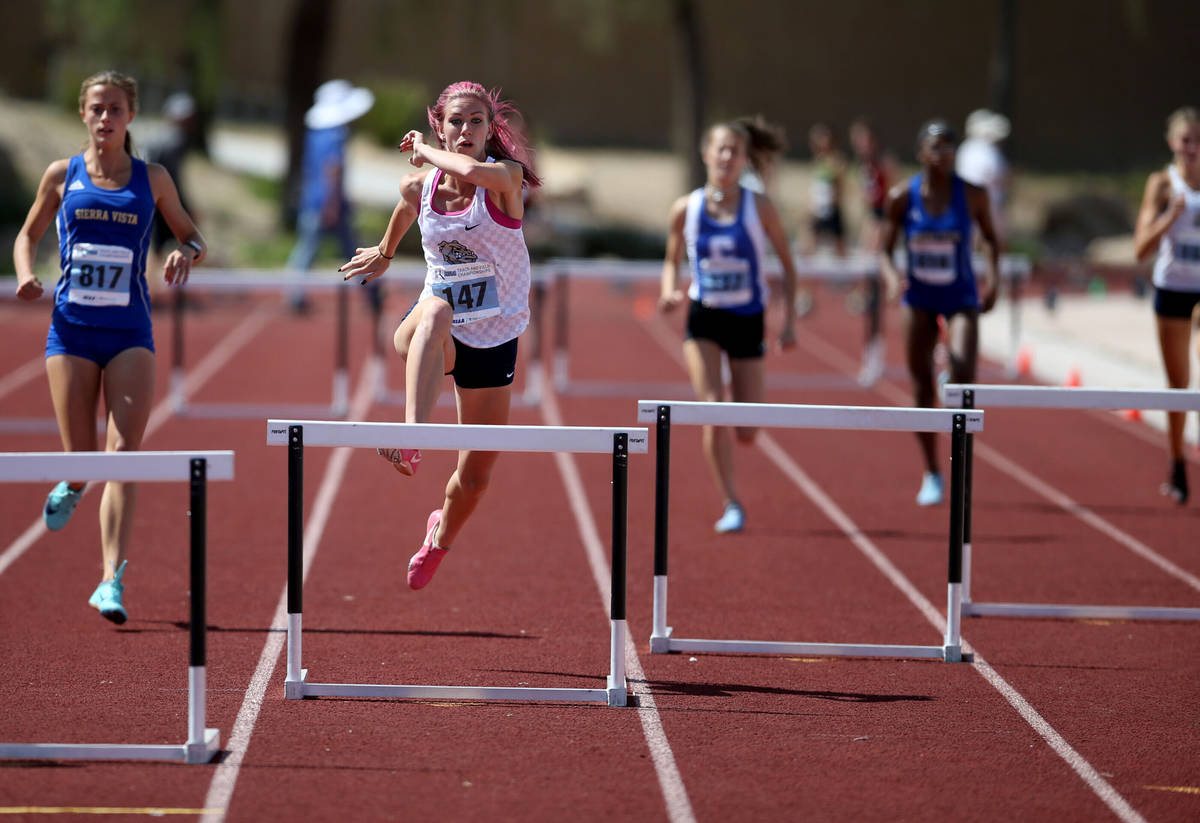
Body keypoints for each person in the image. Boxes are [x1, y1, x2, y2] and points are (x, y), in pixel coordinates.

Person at [12, 70, 206, 623]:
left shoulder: (154, 178)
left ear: (130, 116)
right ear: (83, 114)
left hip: (129, 334)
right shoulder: (61, 175)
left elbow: (193, 235)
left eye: (115, 109)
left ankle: (110, 580)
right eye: (97, 108)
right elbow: (27, 235)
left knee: (123, 456)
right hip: (71, 330)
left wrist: (184, 253)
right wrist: (27, 273)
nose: (105, 118)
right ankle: (74, 481)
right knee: (83, 459)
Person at [339, 81, 539, 589]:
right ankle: (412, 439)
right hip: (432, 335)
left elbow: (470, 171)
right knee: (435, 313)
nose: (466, 130)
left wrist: (424, 151)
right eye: (456, 121)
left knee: (473, 480)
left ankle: (439, 536)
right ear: (440, 126)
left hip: (493, 341)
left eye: (476, 121)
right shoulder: (421, 187)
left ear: (491, 129)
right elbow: (409, 203)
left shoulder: (504, 178)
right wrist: (384, 253)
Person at [659, 116, 799, 533]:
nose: (726, 157)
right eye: (720, 149)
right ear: (706, 154)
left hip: (748, 318)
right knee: (713, 408)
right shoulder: (687, 207)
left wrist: (788, 322)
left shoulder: (760, 207)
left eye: (734, 151)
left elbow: (789, 267)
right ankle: (731, 501)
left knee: (748, 429)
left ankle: (741, 444)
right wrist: (670, 290)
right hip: (704, 315)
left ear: (743, 160)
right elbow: (671, 260)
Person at [878, 120, 998, 506]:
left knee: (964, 377)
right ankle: (932, 470)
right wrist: (892, 278)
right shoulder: (902, 197)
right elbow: (883, 249)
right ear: (921, 154)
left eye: (949, 148)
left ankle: (959, 458)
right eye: (935, 148)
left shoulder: (974, 195)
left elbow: (992, 241)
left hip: (961, 296)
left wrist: (993, 281)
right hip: (919, 300)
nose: (943, 155)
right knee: (920, 386)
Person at [1133, 106, 1200, 504]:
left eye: (1198, 140)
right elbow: (1140, 248)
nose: (1192, 148)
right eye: (1185, 139)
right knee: (1178, 386)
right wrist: (1169, 217)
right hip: (1172, 288)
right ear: (1172, 142)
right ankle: (1176, 461)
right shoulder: (1162, 184)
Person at [287, 79, 380, 321]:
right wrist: (333, 204)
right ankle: (371, 293)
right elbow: (332, 169)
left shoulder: (314, 133)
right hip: (329, 203)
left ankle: (294, 293)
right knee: (351, 251)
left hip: (313, 200)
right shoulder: (337, 135)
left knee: (307, 251)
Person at [849, 118, 896, 386]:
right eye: (856, 140)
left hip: (883, 230)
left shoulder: (884, 164)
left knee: (877, 297)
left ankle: (875, 356)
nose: (860, 145)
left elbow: (890, 201)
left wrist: (880, 235)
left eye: (864, 140)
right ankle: (873, 355)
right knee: (870, 298)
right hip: (871, 229)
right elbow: (865, 203)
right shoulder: (862, 168)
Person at [956, 109, 1011, 245]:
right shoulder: (987, 151)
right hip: (987, 202)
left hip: (966, 200)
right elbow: (995, 176)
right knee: (991, 241)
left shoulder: (965, 148)